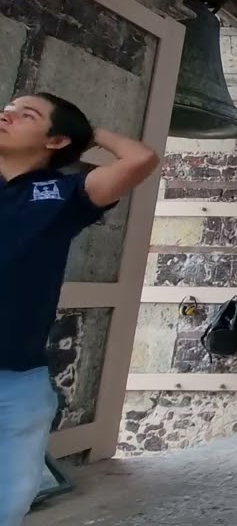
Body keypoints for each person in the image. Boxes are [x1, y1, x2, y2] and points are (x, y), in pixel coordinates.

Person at [0, 93, 159, 526]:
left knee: (7, 505)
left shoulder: (64, 194)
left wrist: (91, 133)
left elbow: (140, 159)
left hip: (16, 379)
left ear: (55, 141)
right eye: (7, 109)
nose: (7, 116)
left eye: (26, 114)